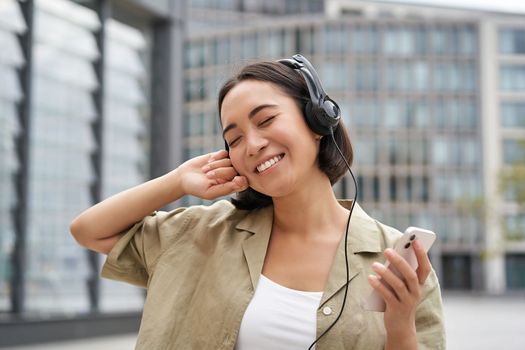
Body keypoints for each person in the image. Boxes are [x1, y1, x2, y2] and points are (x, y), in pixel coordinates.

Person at [70, 55, 445, 350]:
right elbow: (89, 230)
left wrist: (400, 324)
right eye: (234, 139)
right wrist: (177, 181)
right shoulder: (203, 232)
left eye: (265, 120)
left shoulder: (398, 263)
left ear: (318, 122)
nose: (252, 145)